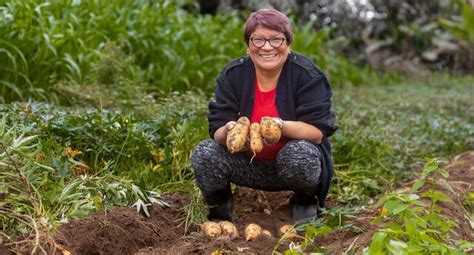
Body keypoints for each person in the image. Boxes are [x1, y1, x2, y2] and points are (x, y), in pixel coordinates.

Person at [190, 8, 337, 225]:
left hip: (291, 166)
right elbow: (216, 130)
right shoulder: (233, 75)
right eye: (257, 39)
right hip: (248, 165)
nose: (267, 47)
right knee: (204, 153)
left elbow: (317, 133)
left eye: (276, 39)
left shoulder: (306, 74)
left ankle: (305, 201)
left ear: (288, 42)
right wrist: (231, 130)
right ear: (248, 45)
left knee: (300, 153)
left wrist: (280, 126)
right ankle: (219, 208)